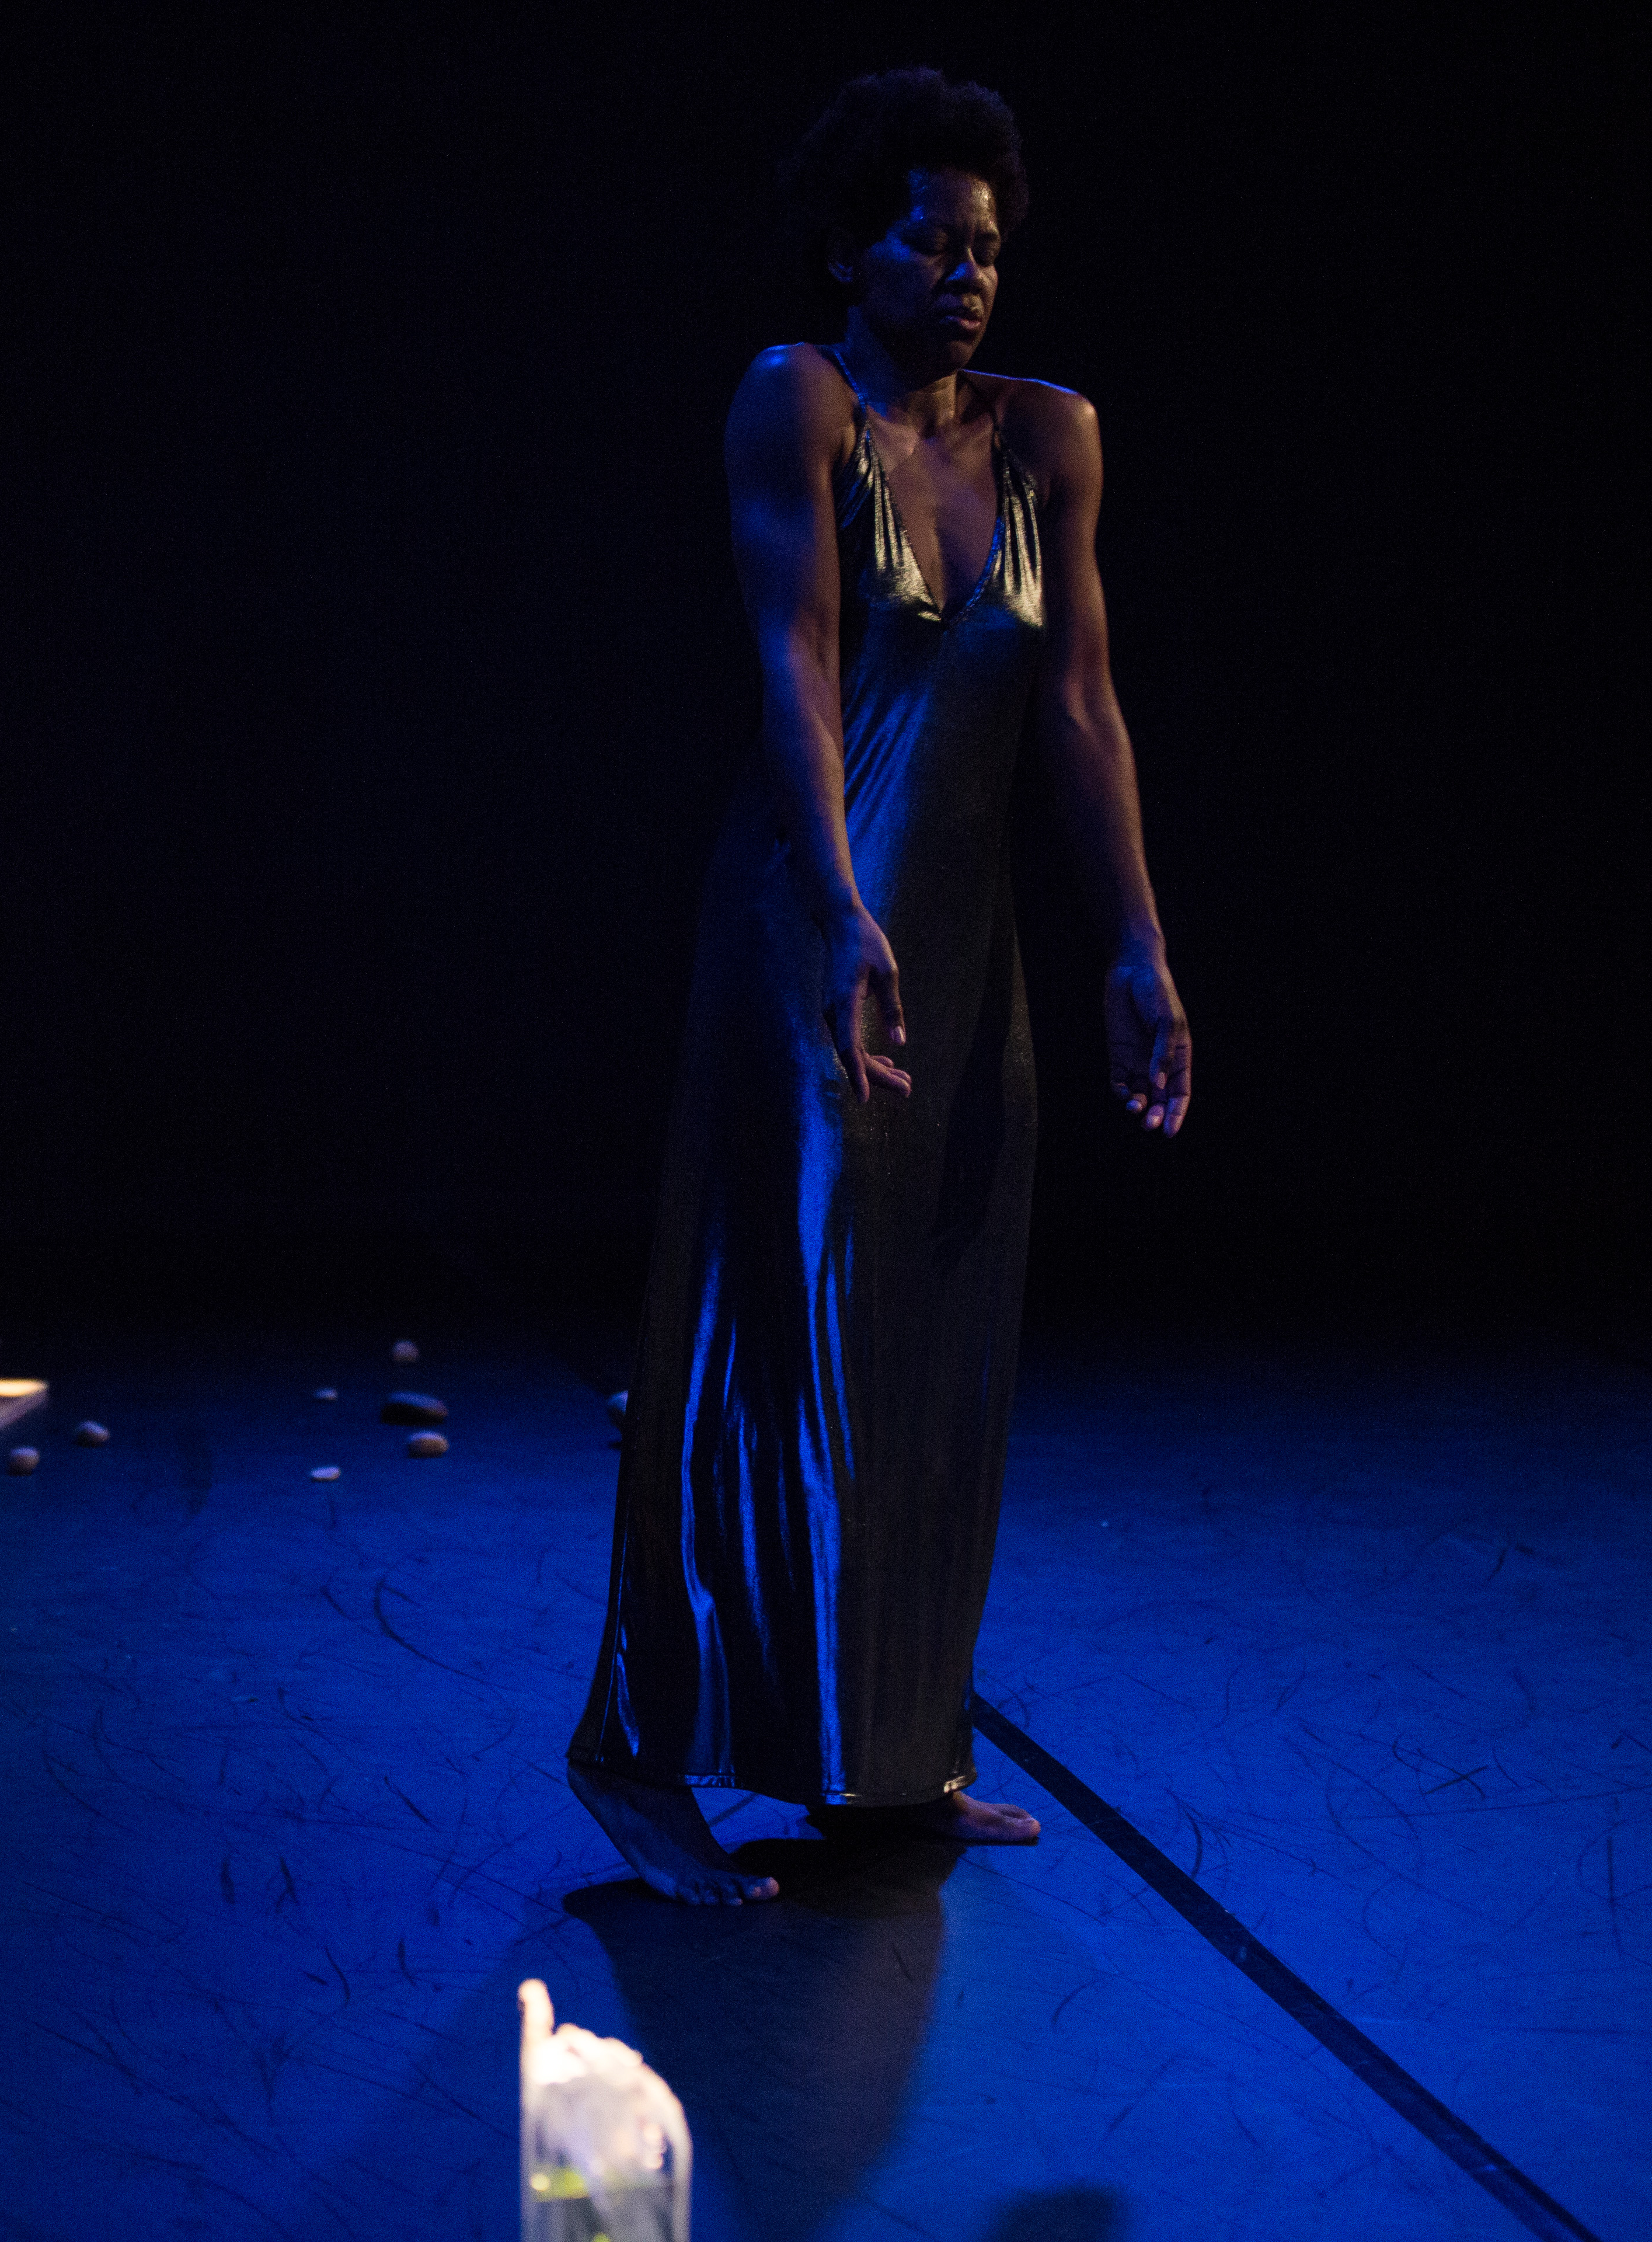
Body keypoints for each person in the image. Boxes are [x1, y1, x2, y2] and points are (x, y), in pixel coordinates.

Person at [567, 68, 1192, 1903]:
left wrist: (1137, 943)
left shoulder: (1052, 440)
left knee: (939, 1353)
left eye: (986, 247)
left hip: (968, 955)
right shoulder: (799, 401)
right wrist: (841, 907)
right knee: (779, 1344)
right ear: (853, 248)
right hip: (813, 926)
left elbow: (1083, 708)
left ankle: (892, 1761)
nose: (966, 273)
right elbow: (798, 662)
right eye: (930, 241)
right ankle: (641, 1754)